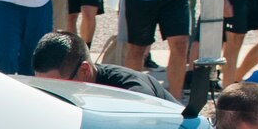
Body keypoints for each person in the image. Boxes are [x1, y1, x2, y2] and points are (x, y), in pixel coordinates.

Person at [31, 30, 172, 98]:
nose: (50, 94)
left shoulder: (131, 92)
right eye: (44, 86)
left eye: (56, 86)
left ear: (84, 70)